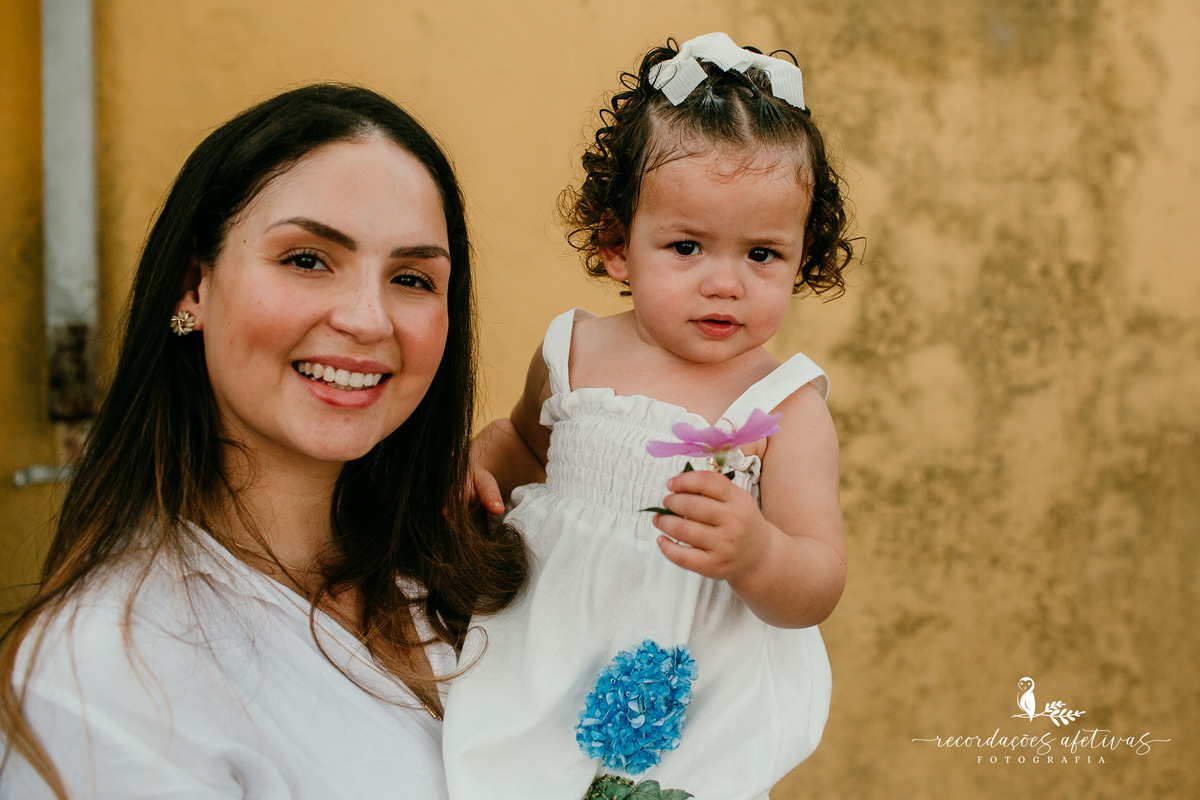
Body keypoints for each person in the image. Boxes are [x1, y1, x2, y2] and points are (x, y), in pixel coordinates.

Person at [0, 83, 526, 799]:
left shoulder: (456, 567)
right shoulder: (112, 671)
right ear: (194, 285)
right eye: (307, 259)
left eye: (411, 277)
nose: (368, 320)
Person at [442, 33, 853, 799]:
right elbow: (522, 444)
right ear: (617, 244)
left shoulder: (784, 406)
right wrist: (479, 466)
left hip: (688, 686)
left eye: (762, 254)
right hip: (546, 647)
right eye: (687, 246)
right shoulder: (573, 351)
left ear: (804, 254)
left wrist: (758, 554)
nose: (725, 283)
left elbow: (819, 576)